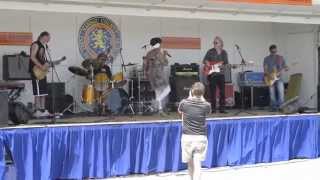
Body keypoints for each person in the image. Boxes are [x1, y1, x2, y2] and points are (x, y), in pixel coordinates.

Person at [178, 82, 211, 180]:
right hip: (200, 137)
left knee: (190, 164)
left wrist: (189, 97)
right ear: (203, 93)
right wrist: (202, 98)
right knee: (198, 164)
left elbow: (180, 113)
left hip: (187, 137)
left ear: (191, 91)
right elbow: (208, 113)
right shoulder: (206, 105)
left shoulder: (184, 103)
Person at [143, 37, 171, 116]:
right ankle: (156, 102)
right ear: (158, 44)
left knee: (158, 92)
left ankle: (160, 110)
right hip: (158, 73)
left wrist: (146, 74)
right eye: (161, 43)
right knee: (167, 89)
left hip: (151, 74)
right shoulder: (160, 52)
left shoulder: (149, 53)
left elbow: (145, 65)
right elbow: (165, 63)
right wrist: (165, 55)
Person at [203, 36, 229, 113]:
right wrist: (208, 64)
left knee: (223, 92)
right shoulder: (210, 51)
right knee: (212, 93)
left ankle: (222, 109)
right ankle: (213, 109)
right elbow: (205, 60)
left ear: (220, 43)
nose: (214, 44)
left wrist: (228, 66)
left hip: (221, 74)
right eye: (214, 42)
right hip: (212, 75)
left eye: (216, 42)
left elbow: (226, 64)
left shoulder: (224, 52)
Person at [29, 31, 51, 118]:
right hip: (36, 71)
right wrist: (41, 66)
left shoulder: (43, 46)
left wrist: (46, 66)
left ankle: (43, 110)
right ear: (43, 36)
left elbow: (41, 58)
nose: (49, 39)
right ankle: (37, 111)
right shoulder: (36, 44)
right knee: (38, 92)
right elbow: (32, 57)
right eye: (48, 37)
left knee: (43, 92)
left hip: (42, 72)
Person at [263, 44, 288, 111]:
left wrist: (286, 68)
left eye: (275, 50)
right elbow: (265, 69)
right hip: (270, 78)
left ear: (276, 50)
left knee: (281, 92)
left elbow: (285, 66)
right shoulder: (266, 59)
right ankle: (273, 107)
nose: (274, 52)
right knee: (272, 94)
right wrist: (269, 75)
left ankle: (281, 107)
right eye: (272, 51)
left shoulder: (280, 58)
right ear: (270, 51)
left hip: (279, 78)